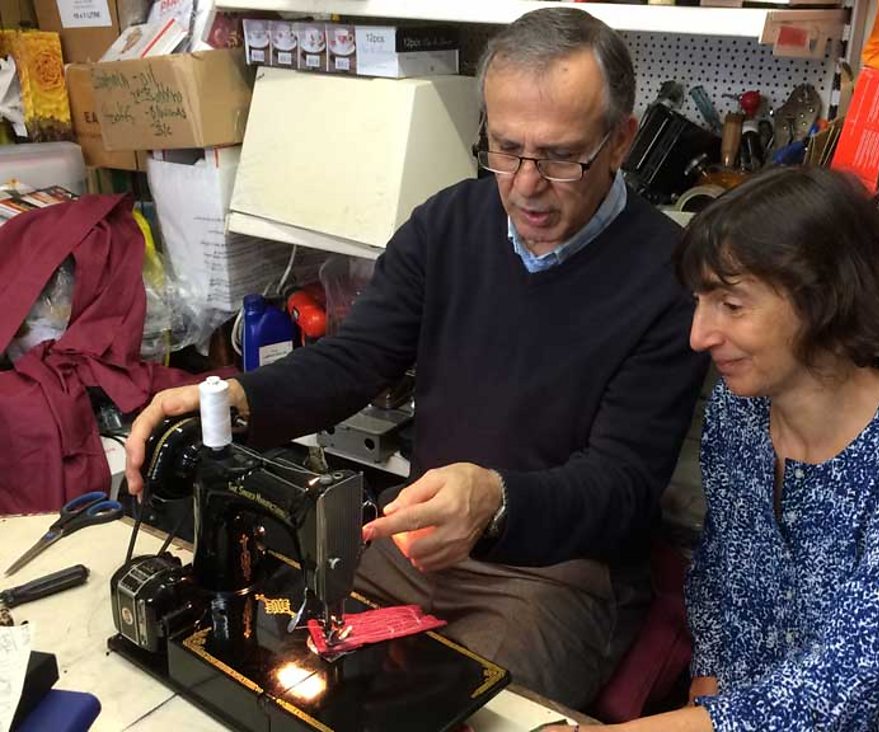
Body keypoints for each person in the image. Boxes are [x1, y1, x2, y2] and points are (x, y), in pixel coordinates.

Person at [124, 7, 707, 708]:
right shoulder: (448, 224)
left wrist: (497, 500)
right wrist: (234, 400)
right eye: (505, 148)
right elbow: (355, 359)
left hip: (556, 574)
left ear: (620, 142)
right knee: (288, 682)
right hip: (416, 541)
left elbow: (621, 487)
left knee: (451, 713)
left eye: (558, 156)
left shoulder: (669, 277)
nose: (525, 184)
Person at [562, 167, 879, 730]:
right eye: (699, 302)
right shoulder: (739, 414)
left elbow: (858, 668)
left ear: (823, 300)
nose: (698, 336)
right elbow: (722, 581)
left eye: (731, 306)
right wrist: (706, 693)